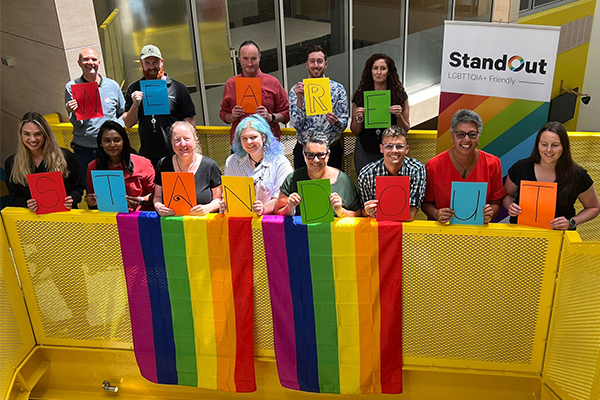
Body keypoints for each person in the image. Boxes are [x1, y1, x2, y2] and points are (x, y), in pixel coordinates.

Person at [503, 121, 600, 230]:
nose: (548, 150)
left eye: (555, 145)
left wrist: (571, 222)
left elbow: (593, 207)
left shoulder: (578, 175)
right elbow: (506, 196)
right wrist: (510, 206)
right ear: (537, 145)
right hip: (522, 235)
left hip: (558, 237)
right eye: (544, 144)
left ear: (564, 147)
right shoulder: (521, 167)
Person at [421, 109, 505, 224]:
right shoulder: (434, 165)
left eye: (472, 135)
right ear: (452, 136)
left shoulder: (493, 163)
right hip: (442, 232)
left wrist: (489, 215)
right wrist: (436, 214)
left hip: (478, 233)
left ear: (478, 136)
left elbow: (496, 202)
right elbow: (425, 203)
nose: (466, 139)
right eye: (460, 134)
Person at [122, 45, 196, 167]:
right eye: (147, 63)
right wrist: (135, 105)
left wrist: (187, 149)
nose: (152, 67)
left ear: (161, 62)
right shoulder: (134, 88)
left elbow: (190, 122)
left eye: (155, 62)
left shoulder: (178, 89)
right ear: (141, 64)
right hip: (147, 156)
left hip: (175, 154)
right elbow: (128, 123)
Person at [65, 47, 125, 185]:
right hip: (85, 149)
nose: (90, 62)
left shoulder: (112, 85)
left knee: (115, 186)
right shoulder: (71, 87)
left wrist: (116, 128)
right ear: (79, 63)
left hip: (111, 148)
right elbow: (76, 124)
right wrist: (74, 113)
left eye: (93, 59)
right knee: (91, 189)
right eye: (85, 59)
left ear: (99, 62)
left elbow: (122, 112)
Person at [5, 112, 85, 211]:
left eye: (38, 134)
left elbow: (78, 187)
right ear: (21, 135)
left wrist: (72, 199)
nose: (32, 139)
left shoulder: (65, 156)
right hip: (33, 219)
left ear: (46, 134)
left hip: (65, 216)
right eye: (27, 134)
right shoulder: (12, 163)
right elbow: (15, 196)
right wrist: (27, 203)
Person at [289, 45, 349, 169]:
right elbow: (296, 125)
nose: (316, 65)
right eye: (312, 61)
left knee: (332, 188)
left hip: (330, 151)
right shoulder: (297, 90)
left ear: (325, 64)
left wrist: (336, 122)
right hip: (304, 153)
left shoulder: (338, 90)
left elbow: (343, 125)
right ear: (307, 64)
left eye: (319, 61)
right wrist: (300, 99)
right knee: (304, 188)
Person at [275, 133, 361, 217]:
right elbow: (278, 212)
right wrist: (290, 207)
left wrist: (340, 211)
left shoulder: (343, 181)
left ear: (328, 155)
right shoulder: (292, 179)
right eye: (310, 155)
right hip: (302, 231)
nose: (316, 160)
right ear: (304, 155)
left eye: (320, 155)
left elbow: (358, 214)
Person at [221, 115, 293, 216]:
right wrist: (225, 204)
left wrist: (263, 208)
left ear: (264, 137)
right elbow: (227, 194)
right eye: (244, 138)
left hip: (268, 221)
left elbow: (281, 199)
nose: (249, 142)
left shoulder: (280, 163)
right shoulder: (232, 161)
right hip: (240, 220)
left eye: (253, 137)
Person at [220, 40, 289, 143]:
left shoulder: (272, 82)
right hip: (241, 144)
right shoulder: (231, 84)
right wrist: (232, 116)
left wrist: (271, 117)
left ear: (260, 57)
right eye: (245, 58)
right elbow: (223, 114)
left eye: (253, 59)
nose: (249, 63)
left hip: (268, 143)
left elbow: (287, 112)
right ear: (239, 58)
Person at [350, 54, 410, 174]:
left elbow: (406, 128)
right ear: (370, 71)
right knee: (365, 186)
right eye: (375, 68)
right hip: (365, 150)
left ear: (389, 72)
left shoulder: (399, 96)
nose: (378, 72)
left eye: (383, 68)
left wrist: (399, 116)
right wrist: (359, 119)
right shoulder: (360, 96)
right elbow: (355, 130)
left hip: (391, 151)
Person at [153, 121, 222, 216]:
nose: (182, 144)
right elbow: (157, 196)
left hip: (204, 225)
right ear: (171, 141)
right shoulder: (163, 164)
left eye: (187, 139)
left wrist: (208, 208)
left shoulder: (210, 166)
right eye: (177, 140)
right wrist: (159, 207)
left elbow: (219, 199)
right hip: (172, 225)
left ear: (195, 139)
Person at [85, 121, 156, 212]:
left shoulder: (142, 163)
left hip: (139, 216)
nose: (112, 145)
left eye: (117, 140)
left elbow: (157, 195)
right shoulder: (93, 166)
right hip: (109, 218)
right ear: (100, 143)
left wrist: (141, 200)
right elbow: (92, 195)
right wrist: (91, 200)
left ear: (124, 142)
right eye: (107, 141)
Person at [358, 125, 426, 220]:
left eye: (399, 146)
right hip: (377, 228)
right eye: (389, 146)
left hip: (405, 228)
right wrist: (367, 211)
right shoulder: (366, 174)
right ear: (381, 149)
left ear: (407, 149)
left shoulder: (416, 170)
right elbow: (363, 213)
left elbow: (410, 214)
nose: (394, 151)